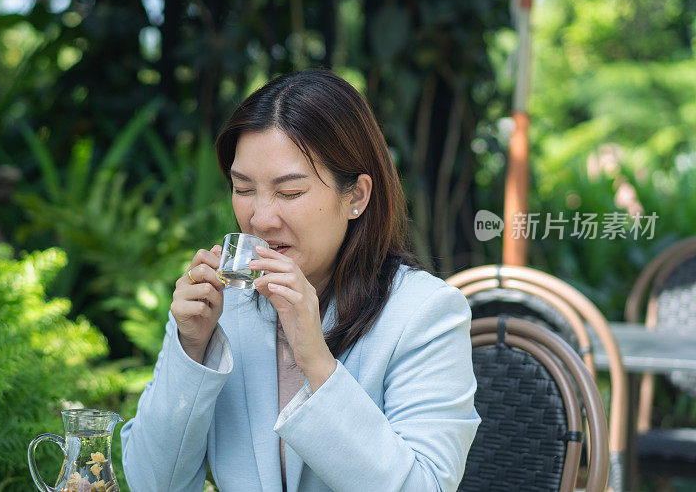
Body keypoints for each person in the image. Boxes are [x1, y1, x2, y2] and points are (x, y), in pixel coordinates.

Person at [120, 69, 480, 492]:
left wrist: (316, 359)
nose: (261, 218)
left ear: (357, 197)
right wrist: (191, 349)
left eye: (290, 193)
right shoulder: (223, 307)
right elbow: (150, 484)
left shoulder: (424, 313)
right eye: (243, 188)